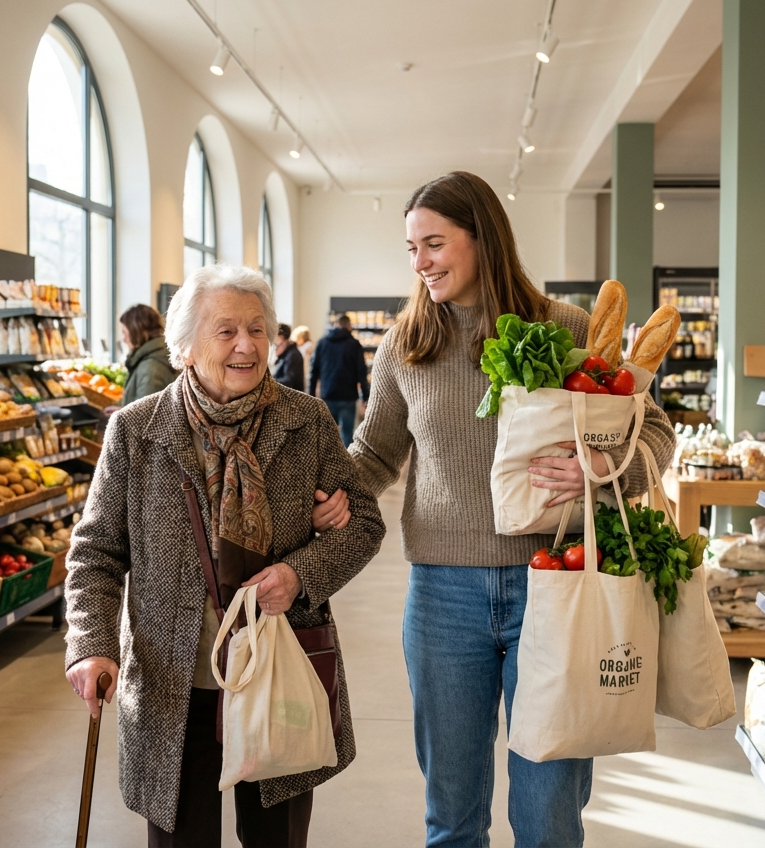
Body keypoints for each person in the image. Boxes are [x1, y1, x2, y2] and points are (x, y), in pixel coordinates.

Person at [322, 171, 677, 847]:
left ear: (483, 239)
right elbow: (374, 454)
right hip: (442, 598)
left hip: (558, 585)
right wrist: (320, 492)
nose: (419, 262)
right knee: (451, 816)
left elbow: (653, 432)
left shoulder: (567, 330)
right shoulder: (406, 344)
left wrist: (603, 467)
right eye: (410, 248)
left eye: (433, 243)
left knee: (548, 817)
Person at [64, 264, 385, 848]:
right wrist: (90, 646)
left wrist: (299, 573)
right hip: (171, 682)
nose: (246, 345)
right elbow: (96, 553)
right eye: (226, 331)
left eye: (258, 329)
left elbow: (363, 522)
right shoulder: (136, 431)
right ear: (184, 347)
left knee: (276, 838)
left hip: (280, 672)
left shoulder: (306, 421)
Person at [308, 314, 369, 446]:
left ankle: (329, 464)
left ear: (335, 325)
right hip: (348, 396)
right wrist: (366, 396)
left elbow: (313, 371)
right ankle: (346, 465)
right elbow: (361, 372)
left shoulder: (322, 342)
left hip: (327, 394)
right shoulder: (354, 344)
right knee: (347, 433)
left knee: (328, 434)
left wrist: (310, 396)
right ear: (349, 327)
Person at [119, 303, 179, 405]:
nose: (124, 339)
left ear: (136, 332)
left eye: (125, 333)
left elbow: (145, 416)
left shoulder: (150, 368)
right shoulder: (158, 355)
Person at [272, 323, 305, 392]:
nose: (276, 349)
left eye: (278, 345)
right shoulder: (284, 355)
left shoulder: (293, 355)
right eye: (274, 345)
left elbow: (288, 381)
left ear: (286, 341)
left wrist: (268, 381)